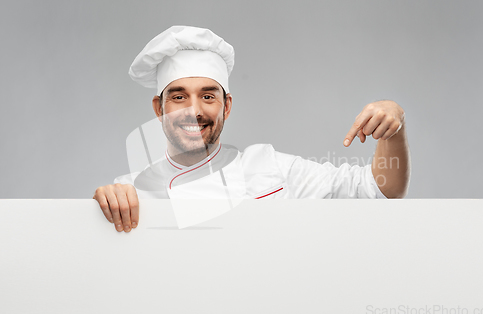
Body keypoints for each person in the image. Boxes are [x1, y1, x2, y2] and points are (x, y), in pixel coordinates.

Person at [93, 26, 410, 232]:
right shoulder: (130, 190)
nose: (194, 110)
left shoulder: (270, 167)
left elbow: (381, 190)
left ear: (226, 106)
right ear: (159, 109)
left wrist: (394, 129)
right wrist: (99, 209)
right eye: (178, 97)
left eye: (208, 96)